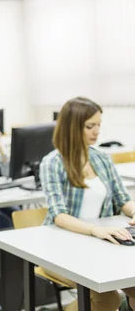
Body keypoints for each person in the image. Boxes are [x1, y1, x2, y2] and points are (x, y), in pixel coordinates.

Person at [40, 97, 135, 311]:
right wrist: (96, 230)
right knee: (106, 297)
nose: (97, 131)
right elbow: (59, 215)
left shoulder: (102, 158)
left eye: (99, 125)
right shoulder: (52, 162)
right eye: (90, 126)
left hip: (100, 244)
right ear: (72, 127)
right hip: (61, 246)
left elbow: (122, 199)